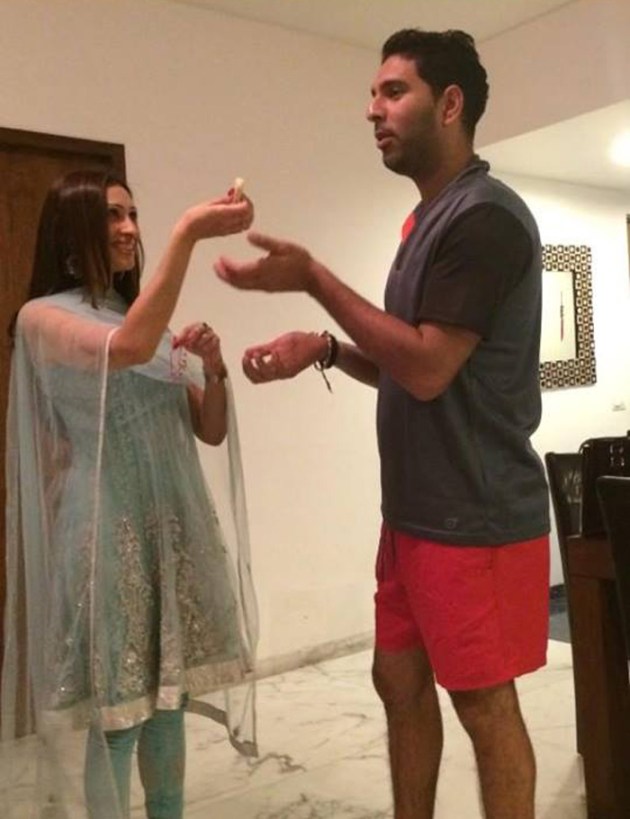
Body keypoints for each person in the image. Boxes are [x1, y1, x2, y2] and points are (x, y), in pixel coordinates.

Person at [214, 28, 550, 819]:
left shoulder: (486, 218)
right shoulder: (428, 219)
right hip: (413, 516)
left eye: (393, 92)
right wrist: (326, 348)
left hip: (475, 517)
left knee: (484, 705)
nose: (373, 110)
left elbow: (428, 367)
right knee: (397, 680)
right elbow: (415, 361)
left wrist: (313, 278)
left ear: (450, 104)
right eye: (372, 94)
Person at [1, 169, 259, 819]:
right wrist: (189, 230)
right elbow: (130, 348)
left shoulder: (135, 316)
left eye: (134, 215)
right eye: (113, 215)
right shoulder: (42, 318)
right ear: (73, 231)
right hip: (107, 534)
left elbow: (208, 427)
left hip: (169, 532)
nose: (129, 229)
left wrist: (215, 370)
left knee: (167, 705)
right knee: (119, 715)